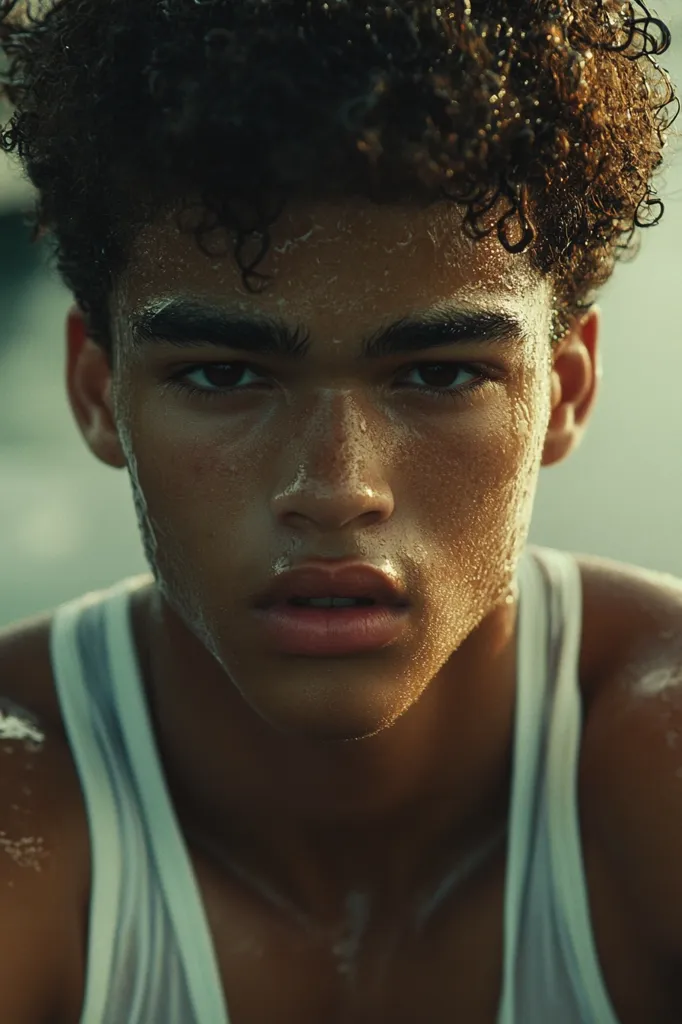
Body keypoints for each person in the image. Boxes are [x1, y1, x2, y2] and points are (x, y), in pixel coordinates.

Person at [0, 0, 681, 1021]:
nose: (333, 487)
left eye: (440, 374)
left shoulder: (655, 760)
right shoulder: (25, 804)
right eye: (226, 373)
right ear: (100, 395)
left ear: (565, 390)